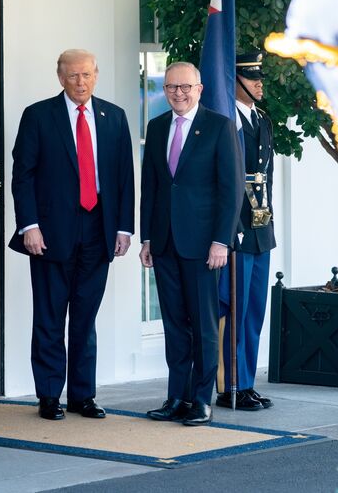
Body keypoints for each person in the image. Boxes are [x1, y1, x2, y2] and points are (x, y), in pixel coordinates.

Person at [10, 49, 135, 421]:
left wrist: (124, 228)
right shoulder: (38, 116)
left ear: (96, 75)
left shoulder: (114, 117)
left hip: (98, 229)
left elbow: (124, 177)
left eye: (87, 75)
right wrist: (28, 225)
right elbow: (23, 176)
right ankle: (49, 395)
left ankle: (83, 396)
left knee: (85, 317)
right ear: (60, 77)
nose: (81, 83)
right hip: (49, 234)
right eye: (73, 76)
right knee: (49, 317)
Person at [140, 61, 242, 426]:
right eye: (171, 87)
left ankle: (201, 399)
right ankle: (177, 397)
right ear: (163, 90)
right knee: (174, 325)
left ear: (199, 89)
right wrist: (147, 237)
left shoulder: (219, 127)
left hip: (203, 247)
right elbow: (150, 187)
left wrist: (221, 241)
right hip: (165, 243)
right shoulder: (155, 127)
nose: (178, 94)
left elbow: (231, 191)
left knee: (202, 324)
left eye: (185, 87)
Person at [216, 52, 277, 411]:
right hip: (236, 228)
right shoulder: (225, 122)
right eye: (251, 77)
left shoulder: (263, 121)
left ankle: (248, 381)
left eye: (259, 77)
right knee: (234, 310)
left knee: (254, 309)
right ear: (235, 81)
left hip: (260, 227)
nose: (258, 83)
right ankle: (230, 385)